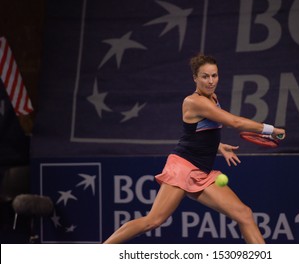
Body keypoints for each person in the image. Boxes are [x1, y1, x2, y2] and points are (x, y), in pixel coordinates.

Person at [103, 54, 286, 244]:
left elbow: (196, 132)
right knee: (153, 221)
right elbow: (234, 122)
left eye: (214, 75)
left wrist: (218, 146)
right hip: (182, 168)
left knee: (244, 214)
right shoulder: (194, 101)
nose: (210, 81)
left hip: (202, 171)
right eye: (205, 76)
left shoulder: (212, 98)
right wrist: (271, 130)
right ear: (195, 78)